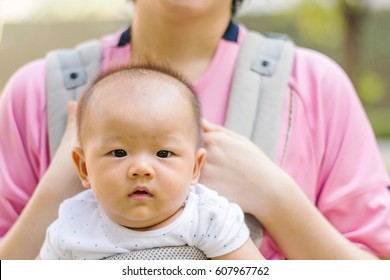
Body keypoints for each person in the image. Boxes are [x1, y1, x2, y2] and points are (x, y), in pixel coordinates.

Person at [1, 0, 389, 260]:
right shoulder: (40, 92)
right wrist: (55, 192)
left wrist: (277, 198)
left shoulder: (314, 86)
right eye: (119, 152)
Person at [37, 63, 263, 260]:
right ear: (84, 168)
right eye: (118, 152)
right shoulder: (72, 225)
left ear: (194, 168)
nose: (141, 169)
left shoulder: (208, 218)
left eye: (163, 154)